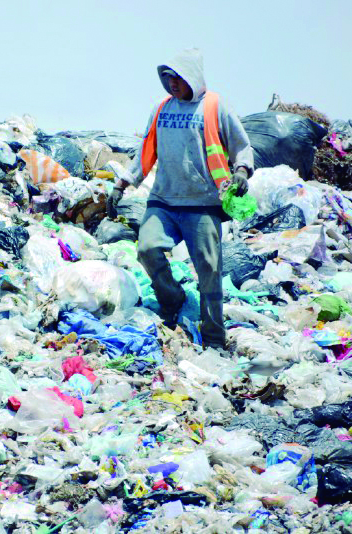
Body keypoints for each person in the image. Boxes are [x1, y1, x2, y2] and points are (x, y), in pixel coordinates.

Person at [106, 48, 253, 349]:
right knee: (147, 249)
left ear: (193, 78)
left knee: (209, 271)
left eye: (178, 78)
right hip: (164, 200)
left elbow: (241, 145)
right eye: (168, 78)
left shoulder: (214, 106)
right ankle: (172, 300)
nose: (172, 84)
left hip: (203, 203)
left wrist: (241, 171)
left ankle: (213, 338)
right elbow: (145, 152)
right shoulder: (163, 108)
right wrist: (122, 184)